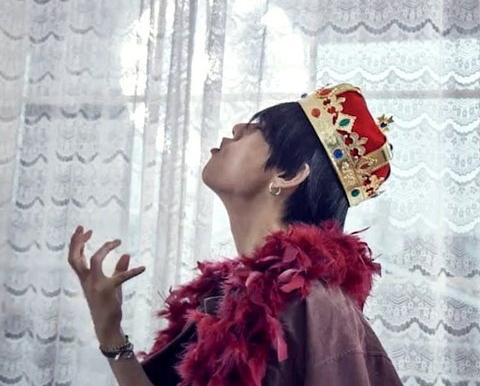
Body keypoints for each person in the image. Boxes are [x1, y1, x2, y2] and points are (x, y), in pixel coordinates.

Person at [68, 83, 402, 385]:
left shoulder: (314, 306)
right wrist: (109, 331)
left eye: (259, 129)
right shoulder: (230, 297)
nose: (237, 128)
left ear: (288, 176)